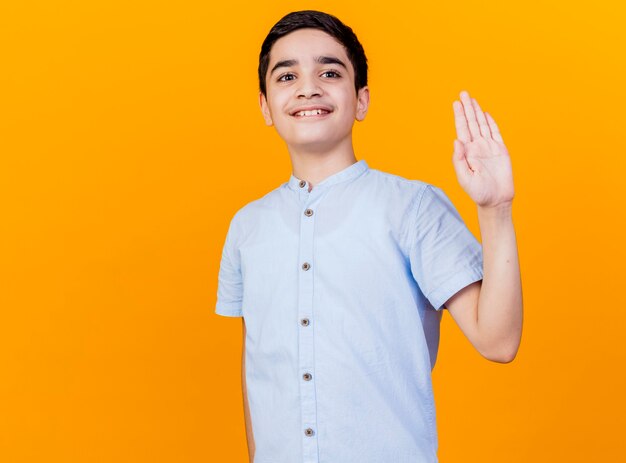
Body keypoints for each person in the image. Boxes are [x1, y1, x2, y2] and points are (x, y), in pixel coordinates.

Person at [215, 9, 522, 463]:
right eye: (286, 76)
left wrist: (495, 210)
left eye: (329, 71)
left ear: (361, 100)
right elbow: (256, 367)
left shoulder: (412, 206)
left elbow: (498, 341)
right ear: (265, 105)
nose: (307, 87)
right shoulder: (247, 226)